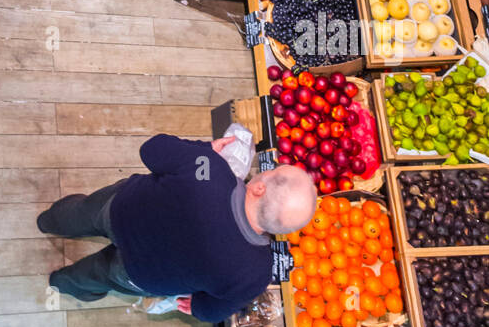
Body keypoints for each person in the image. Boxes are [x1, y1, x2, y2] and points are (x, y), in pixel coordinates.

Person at [39, 135, 317, 317]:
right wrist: (196, 306)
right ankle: (62, 283)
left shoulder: (209, 170)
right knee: (99, 275)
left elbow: (152, 149)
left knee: (82, 212)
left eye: (273, 171)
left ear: (257, 188)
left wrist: (203, 149)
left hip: (122, 212)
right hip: (140, 273)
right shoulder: (255, 273)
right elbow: (210, 311)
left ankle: (50, 221)